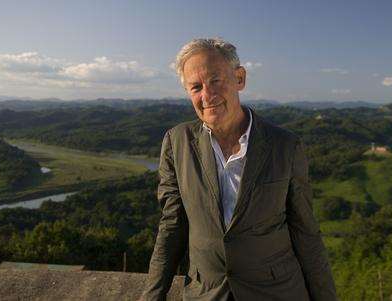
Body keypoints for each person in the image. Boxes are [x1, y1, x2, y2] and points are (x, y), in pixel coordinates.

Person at [141, 38, 337, 301]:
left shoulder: (285, 146)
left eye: (215, 81)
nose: (207, 96)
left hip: (276, 292)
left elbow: (305, 232)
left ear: (239, 78)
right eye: (196, 87)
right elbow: (172, 227)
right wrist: (152, 296)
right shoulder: (177, 142)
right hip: (207, 294)